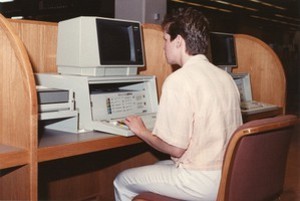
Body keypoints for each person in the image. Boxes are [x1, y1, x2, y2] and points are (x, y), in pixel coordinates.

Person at [114, 7, 242, 201]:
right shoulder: (226, 77)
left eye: (166, 40)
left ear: (179, 41)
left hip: (199, 181)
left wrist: (142, 131)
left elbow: (175, 149)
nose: (163, 47)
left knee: (122, 180)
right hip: (228, 175)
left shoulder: (179, 80)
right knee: (158, 168)